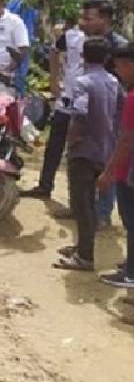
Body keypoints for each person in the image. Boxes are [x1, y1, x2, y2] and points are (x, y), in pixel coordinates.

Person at [54, 38, 123, 271]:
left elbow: (80, 114)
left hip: (84, 150)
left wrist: (72, 140)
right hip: (105, 149)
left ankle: (85, 257)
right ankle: (83, 246)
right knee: (91, 204)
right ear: (107, 59)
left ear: (82, 56)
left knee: (81, 203)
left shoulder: (82, 82)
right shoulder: (114, 82)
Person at [22, 17, 84, 200]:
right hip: (67, 98)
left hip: (89, 104)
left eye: (88, 17)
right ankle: (44, 185)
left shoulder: (109, 42)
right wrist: (53, 80)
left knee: (81, 149)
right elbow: (54, 51)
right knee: (55, 142)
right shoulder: (72, 37)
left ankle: (81, 201)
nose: (83, 21)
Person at [97, 46, 134, 287]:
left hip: (129, 171)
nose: (118, 72)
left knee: (131, 221)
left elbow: (126, 140)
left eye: (120, 66)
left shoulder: (132, 98)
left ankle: (130, 273)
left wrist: (109, 171)